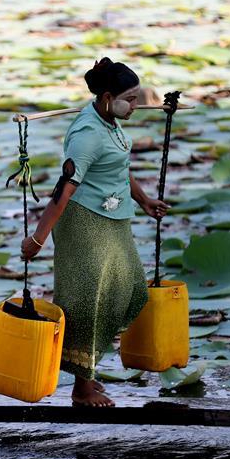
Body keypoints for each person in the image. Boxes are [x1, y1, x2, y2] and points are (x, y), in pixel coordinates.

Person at [21, 58, 170, 407]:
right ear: (106, 97)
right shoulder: (87, 134)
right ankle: (82, 387)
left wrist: (145, 200)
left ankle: (88, 370)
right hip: (83, 219)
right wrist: (38, 237)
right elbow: (64, 190)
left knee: (130, 290)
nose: (135, 105)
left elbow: (117, 165)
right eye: (130, 99)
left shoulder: (111, 123)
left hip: (113, 217)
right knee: (90, 300)